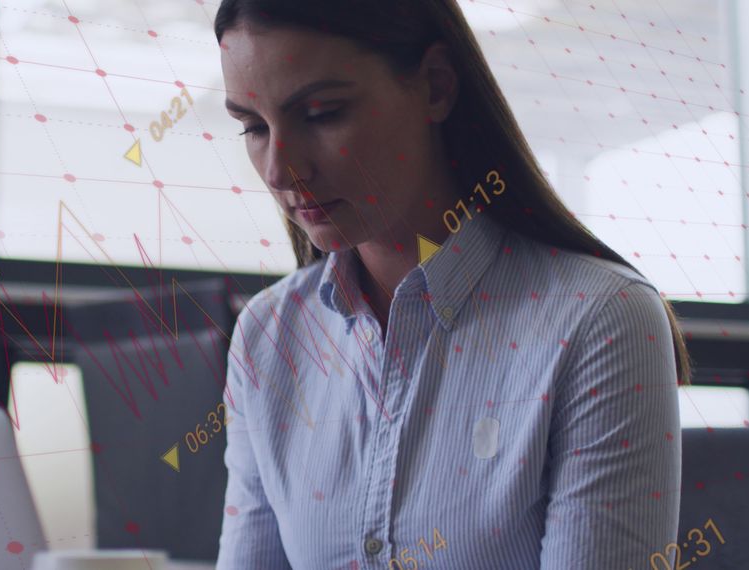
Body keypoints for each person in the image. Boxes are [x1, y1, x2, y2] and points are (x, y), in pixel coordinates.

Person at [213, 1, 689, 569]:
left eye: (321, 113)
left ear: (436, 86)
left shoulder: (599, 319)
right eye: (254, 127)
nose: (278, 171)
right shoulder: (269, 337)